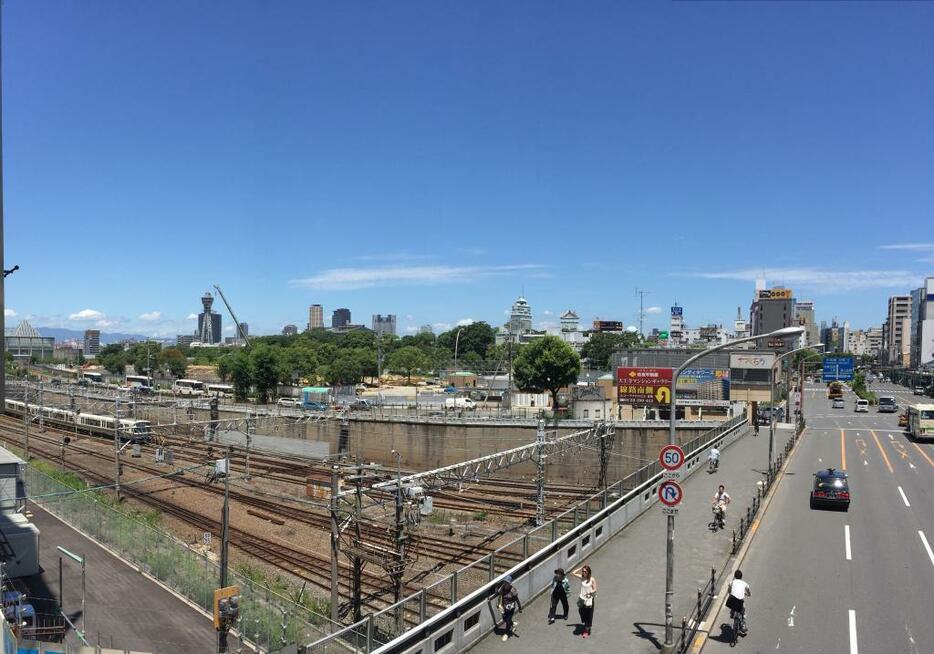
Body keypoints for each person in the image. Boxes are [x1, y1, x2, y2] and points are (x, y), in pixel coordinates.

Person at [571, 565, 597, 638]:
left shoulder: (592, 579)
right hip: (582, 598)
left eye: (585, 571)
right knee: (581, 611)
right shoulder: (582, 578)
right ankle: (586, 625)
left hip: (589, 599)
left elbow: (595, 589)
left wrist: (590, 592)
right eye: (583, 571)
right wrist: (581, 567)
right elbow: (573, 573)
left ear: (588, 572)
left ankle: (586, 630)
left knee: (588, 614)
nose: (583, 572)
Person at [497, 575, 522, 641]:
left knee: (507, 621)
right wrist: (498, 604)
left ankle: (507, 633)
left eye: (507, 583)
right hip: (504, 608)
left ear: (510, 583)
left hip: (511, 608)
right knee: (505, 618)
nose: (505, 584)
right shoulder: (502, 588)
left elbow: (517, 599)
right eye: (505, 582)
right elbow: (499, 595)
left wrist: (520, 607)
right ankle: (511, 624)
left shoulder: (513, 590)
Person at [726, 570, 751, 634]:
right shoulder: (744, 583)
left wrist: (730, 592)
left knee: (733, 601)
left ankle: (732, 612)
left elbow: (729, 590)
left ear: (734, 576)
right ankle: (743, 625)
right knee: (743, 611)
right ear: (741, 577)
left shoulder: (732, 582)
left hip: (732, 600)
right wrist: (748, 594)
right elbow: (748, 590)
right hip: (740, 602)